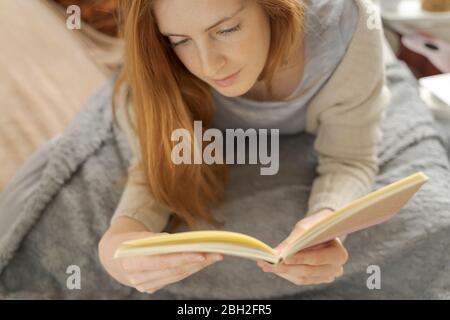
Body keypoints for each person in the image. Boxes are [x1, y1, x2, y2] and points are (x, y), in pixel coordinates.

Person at [98, 0, 390, 294]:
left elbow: (350, 159)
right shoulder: (156, 65)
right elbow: (156, 165)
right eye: (180, 41)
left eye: (226, 29)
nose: (209, 64)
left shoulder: (349, 30)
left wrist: (327, 223)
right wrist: (117, 243)